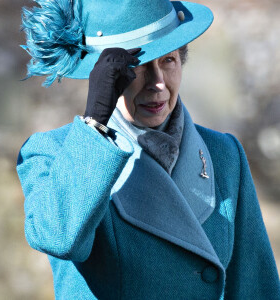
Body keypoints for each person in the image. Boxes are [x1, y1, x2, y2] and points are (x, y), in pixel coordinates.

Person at [17, 0, 280, 299]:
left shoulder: (224, 153)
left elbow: (256, 286)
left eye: (168, 60)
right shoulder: (51, 152)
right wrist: (94, 124)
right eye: (137, 65)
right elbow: (60, 239)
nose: (157, 84)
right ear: (105, 76)